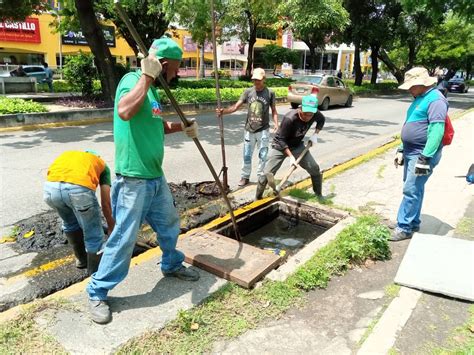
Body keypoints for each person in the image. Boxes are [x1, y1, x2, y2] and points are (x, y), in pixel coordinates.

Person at [86, 37, 200, 324]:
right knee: (124, 238)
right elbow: (125, 111)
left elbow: (154, 125)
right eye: (174, 68)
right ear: (162, 65)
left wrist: (181, 127)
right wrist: (147, 78)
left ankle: (172, 263)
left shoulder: (152, 92)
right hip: (133, 180)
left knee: (169, 224)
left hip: (154, 177)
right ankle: (97, 291)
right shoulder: (134, 81)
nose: (176, 73)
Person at [391, 67, 448, 241]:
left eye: (411, 86)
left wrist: (425, 157)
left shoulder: (436, 100)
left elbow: (437, 130)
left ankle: (404, 227)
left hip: (421, 154)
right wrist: (401, 148)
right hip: (410, 151)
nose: (408, 89)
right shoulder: (419, 98)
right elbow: (410, 124)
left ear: (421, 84)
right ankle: (413, 222)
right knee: (415, 188)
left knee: (411, 189)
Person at [43, 150, 114, 275]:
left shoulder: (68, 155)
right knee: (94, 234)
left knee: (70, 223)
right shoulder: (102, 165)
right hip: (78, 191)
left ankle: (81, 261)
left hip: (50, 189)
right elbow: (106, 203)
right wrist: (111, 227)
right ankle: (96, 274)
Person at [216, 68, 279, 187]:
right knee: (246, 155)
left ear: (264, 79)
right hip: (249, 130)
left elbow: (274, 111)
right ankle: (245, 177)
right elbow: (236, 107)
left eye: (258, 80)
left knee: (263, 155)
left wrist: (276, 124)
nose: (256, 82)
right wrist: (223, 111)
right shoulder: (248, 92)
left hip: (263, 130)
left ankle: (261, 178)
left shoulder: (270, 93)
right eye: (254, 80)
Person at [255, 94, 325, 200]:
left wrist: (316, 134)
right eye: (305, 114)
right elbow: (281, 139)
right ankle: (257, 198)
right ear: (300, 108)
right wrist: (291, 157)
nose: (307, 117)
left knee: (314, 168)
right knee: (266, 175)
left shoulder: (314, 113)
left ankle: (318, 195)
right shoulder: (290, 118)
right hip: (279, 146)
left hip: (297, 146)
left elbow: (321, 120)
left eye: (310, 115)